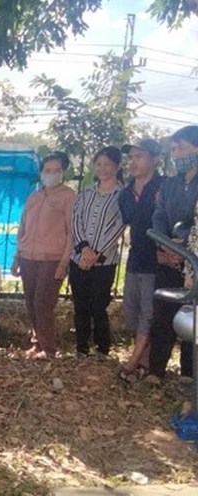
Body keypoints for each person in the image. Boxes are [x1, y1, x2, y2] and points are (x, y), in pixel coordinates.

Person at [11, 152, 76, 359]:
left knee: (43, 303)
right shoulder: (35, 196)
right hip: (28, 257)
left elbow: (71, 232)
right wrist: (17, 256)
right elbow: (23, 227)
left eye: (57, 170)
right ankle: (37, 343)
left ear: (63, 172)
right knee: (30, 302)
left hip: (52, 259)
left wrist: (64, 261)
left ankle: (49, 349)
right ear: (41, 173)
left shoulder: (68, 197)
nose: (52, 174)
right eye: (47, 170)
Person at [69, 146, 125, 360]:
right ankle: (81, 348)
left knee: (98, 306)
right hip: (79, 258)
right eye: (99, 164)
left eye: (108, 164)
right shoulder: (86, 193)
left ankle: (102, 349)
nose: (102, 168)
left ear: (117, 166)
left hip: (104, 262)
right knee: (80, 305)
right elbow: (76, 220)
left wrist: (95, 255)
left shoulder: (122, 195)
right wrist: (84, 249)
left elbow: (119, 227)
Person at [152, 125, 198, 383]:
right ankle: (156, 370)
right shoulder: (170, 184)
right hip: (169, 257)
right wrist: (164, 244)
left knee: (193, 316)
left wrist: (187, 243)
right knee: (163, 315)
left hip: (194, 261)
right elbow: (159, 215)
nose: (176, 154)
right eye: (172, 149)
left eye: (181, 148)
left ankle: (190, 374)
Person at [117, 139, 163, 382]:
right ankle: (145, 356)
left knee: (149, 311)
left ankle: (135, 361)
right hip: (135, 257)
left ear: (155, 159)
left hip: (158, 260)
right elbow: (126, 222)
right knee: (131, 311)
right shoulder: (126, 192)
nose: (133, 162)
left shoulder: (163, 187)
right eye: (131, 157)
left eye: (139, 156)